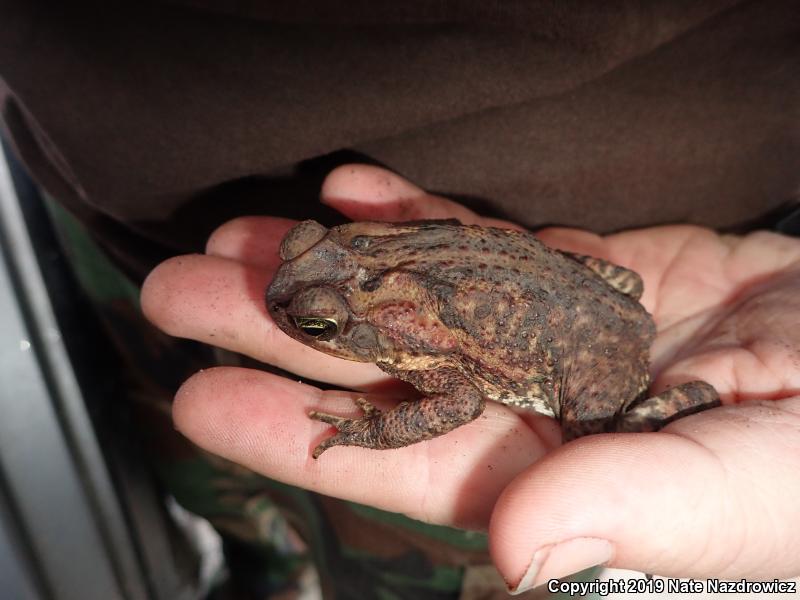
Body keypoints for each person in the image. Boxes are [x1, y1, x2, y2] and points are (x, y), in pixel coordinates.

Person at [1, 1, 798, 597]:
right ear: (336, 239)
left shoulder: (414, 335)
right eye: (305, 246)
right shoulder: (371, 251)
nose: (286, 293)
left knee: (589, 447)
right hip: (102, 182)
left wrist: (380, 428)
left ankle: (276, 561)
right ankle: (258, 555)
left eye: (316, 325)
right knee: (222, 451)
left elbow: (453, 403)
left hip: (596, 355)